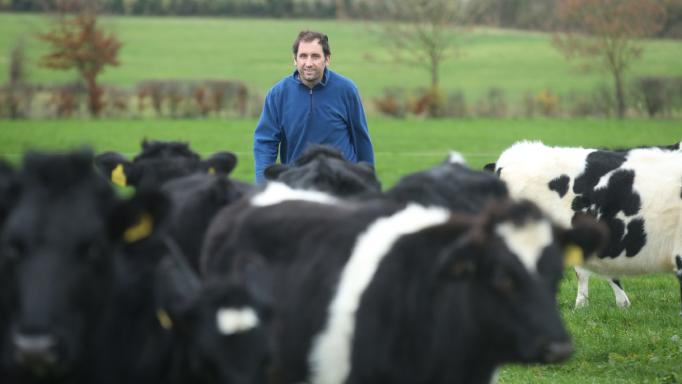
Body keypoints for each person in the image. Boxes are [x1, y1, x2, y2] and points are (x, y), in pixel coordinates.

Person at [253, 30, 375, 184]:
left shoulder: (346, 90)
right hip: (298, 183)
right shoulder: (278, 94)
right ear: (295, 60)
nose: (308, 63)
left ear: (327, 59)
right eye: (303, 56)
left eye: (315, 56)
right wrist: (262, 185)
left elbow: (361, 139)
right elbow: (265, 142)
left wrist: (368, 181)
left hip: (341, 184)